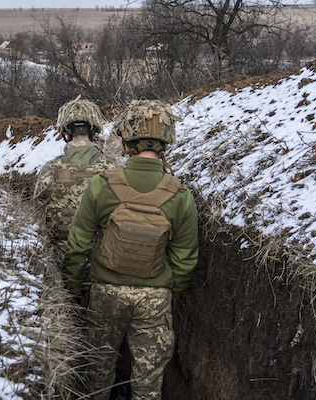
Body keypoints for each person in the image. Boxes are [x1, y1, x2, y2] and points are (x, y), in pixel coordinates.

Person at [62, 100, 198, 400]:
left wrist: (72, 284)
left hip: (105, 293)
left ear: (126, 140)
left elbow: (79, 242)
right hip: (155, 299)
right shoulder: (180, 194)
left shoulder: (103, 184)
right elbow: (185, 258)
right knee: (148, 381)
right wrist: (165, 289)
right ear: (166, 141)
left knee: (97, 370)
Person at [34, 97, 117, 279]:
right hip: (105, 260)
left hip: (62, 259)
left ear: (66, 132)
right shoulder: (114, 169)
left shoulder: (51, 169)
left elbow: (37, 217)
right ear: (94, 131)